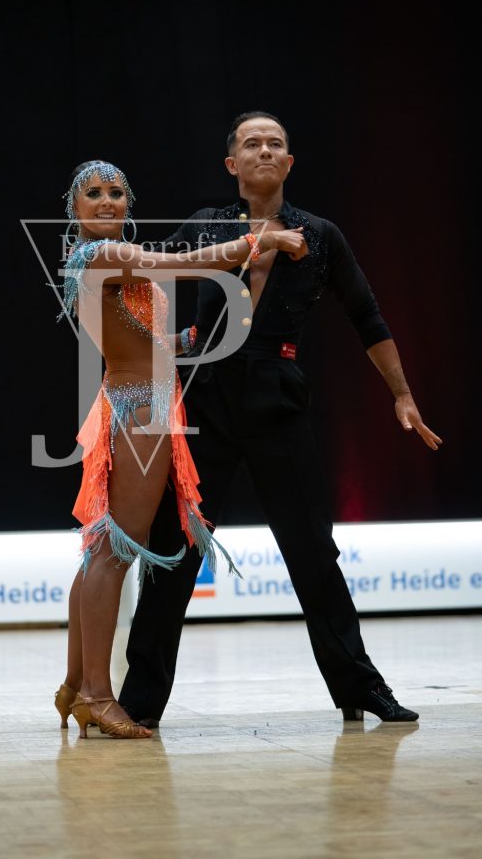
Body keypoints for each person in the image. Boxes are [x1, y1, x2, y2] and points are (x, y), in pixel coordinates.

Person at [118, 111, 442, 727]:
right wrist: (156, 348)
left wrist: (402, 394)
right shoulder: (206, 225)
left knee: (312, 550)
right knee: (174, 548)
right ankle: (139, 702)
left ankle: (359, 688)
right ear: (232, 164)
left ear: (290, 163)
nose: (264, 150)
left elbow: (367, 315)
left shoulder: (320, 234)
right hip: (208, 397)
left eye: (275, 144)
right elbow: (147, 274)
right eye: (252, 143)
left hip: (276, 397)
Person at [53, 159, 307, 739]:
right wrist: (261, 239)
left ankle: (75, 686)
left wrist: (188, 339)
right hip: (140, 410)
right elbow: (187, 264)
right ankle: (97, 694)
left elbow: (139, 339)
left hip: (135, 402)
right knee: (114, 553)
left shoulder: (101, 260)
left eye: (117, 192)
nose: (107, 201)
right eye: (93, 193)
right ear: (74, 207)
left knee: (101, 551)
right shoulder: (105, 254)